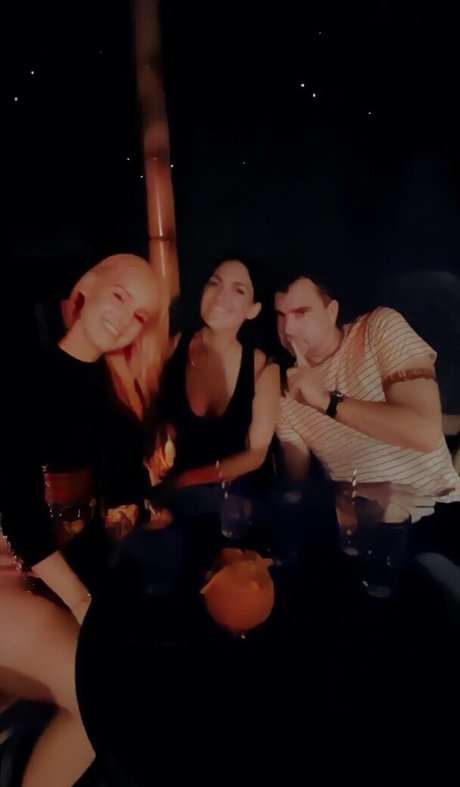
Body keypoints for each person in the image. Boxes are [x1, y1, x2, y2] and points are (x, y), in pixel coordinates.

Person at [0, 253, 160, 786]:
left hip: (52, 577)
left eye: (140, 315)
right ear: (86, 287)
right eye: (120, 296)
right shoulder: (25, 378)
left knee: (124, 678)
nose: (126, 318)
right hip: (9, 569)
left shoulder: (110, 403)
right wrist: (82, 601)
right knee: (99, 689)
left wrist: (142, 503)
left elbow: (125, 486)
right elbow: (19, 516)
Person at [273, 268, 460, 581]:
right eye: (280, 315)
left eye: (301, 312)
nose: (288, 329)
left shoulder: (377, 330)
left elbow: (425, 432)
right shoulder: (285, 395)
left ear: (331, 311)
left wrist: (328, 401)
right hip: (358, 534)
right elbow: (297, 485)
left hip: (433, 516)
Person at [147, 259, 280, 571]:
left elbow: (257, 455)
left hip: (230, 504)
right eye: (214, 283)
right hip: (169, 505)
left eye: (238, 290)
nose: (221, 295)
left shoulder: (262, 368)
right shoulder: (172, 347)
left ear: (253, 309)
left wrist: (186, 480)